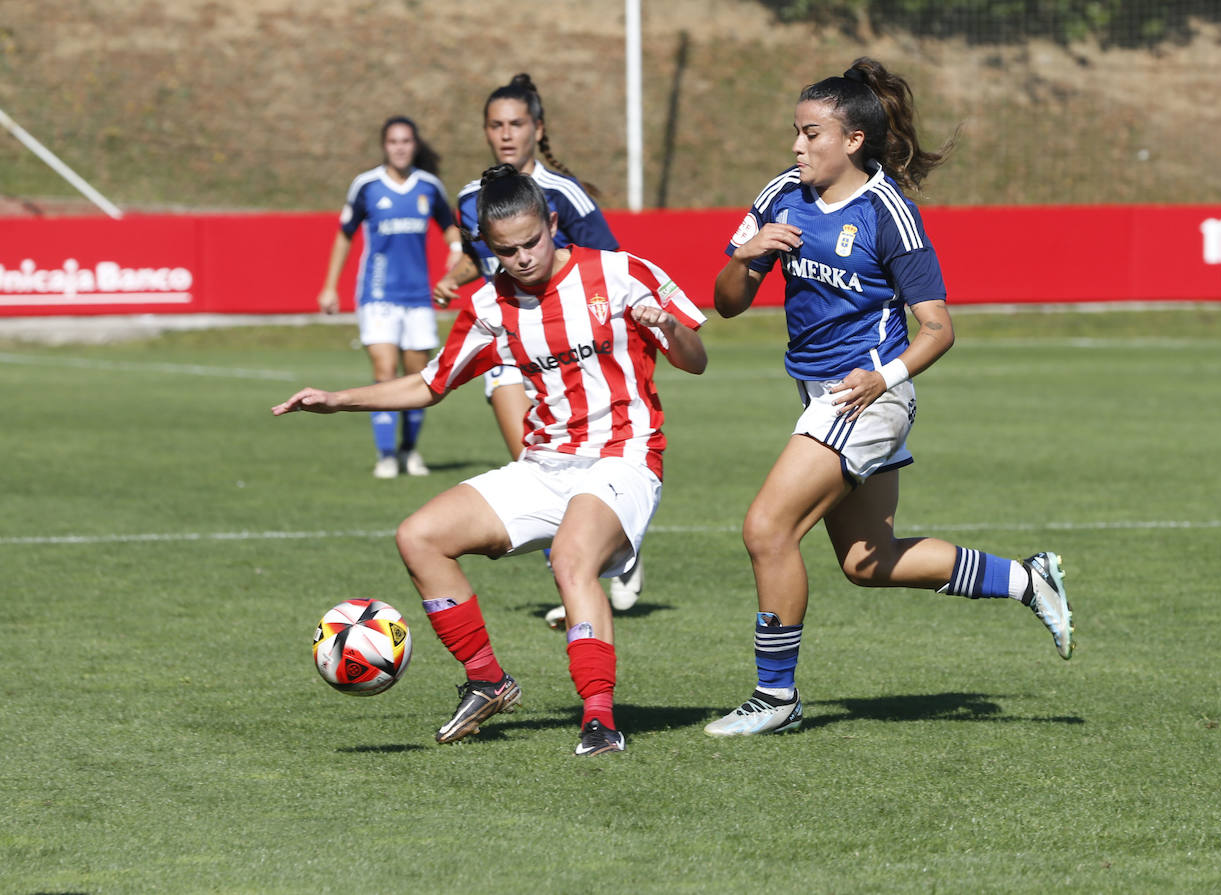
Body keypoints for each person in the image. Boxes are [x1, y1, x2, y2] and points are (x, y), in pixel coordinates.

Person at [276, 164, 708, 756]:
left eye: (532, 241)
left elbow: (696, 359)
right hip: (543, 466)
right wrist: (338, 400)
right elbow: (430, 383)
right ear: (487, 248)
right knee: (419, 536)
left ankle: (600, 720)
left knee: (572, 559)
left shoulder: (622, 273)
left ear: (553, 222)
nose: (523, 257)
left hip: (623, 457)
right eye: (506, 250)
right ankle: (487, 682)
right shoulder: (488, 306)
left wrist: (670, 330)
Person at [703, 58, 1075, 738]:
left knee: (766, 528)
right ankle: (1028, 579)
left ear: (852, 141)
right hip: (823, 395)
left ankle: (775, 697)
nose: (796, 145)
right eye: (794, 131)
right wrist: (744, 255)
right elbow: (726, 305)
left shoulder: (888, 215)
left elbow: (938, 329)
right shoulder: (782, 194)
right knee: (866, 561)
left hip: (866, 399)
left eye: (811, 133)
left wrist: (884, 378)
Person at [434, 74, 642, 625]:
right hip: (503, 345)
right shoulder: (468, 197)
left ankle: (599, 549)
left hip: (570, 346)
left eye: (517, 124)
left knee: (575, 458)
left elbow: (610, 267)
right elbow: (477, 259)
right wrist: (456, 276)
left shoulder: (564, 195)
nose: (506, 135)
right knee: (533, 459)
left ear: (537, 129)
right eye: (496, 125)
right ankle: (581, 568)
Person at [316, 115, 465, 479]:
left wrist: (456, 247)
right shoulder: (366, 186)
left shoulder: (428, 186)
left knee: (418, 378)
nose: (400, 147)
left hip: (418, 298)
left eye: (406, 141)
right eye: (394, 141)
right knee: (383, 373)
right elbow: (344, 235)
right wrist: (329, 286)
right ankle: (385, 455)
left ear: (414, 145)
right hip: (378, 295)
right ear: (385, 146)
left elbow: (449, 227)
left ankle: (409, 451)